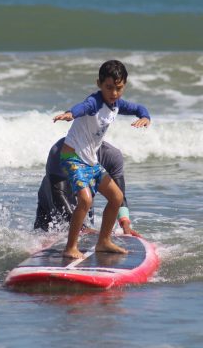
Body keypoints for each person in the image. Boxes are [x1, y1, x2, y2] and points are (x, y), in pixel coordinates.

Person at [53, 60, 150, 259]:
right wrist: (71, 114)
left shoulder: (116, 104)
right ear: (99, 84)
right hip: (72, 157)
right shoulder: (95, 102)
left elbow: (139, 108)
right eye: (109, 88)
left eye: (119, 88)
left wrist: (145, 117)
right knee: (85, 200)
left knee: (116, 197)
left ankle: (104, 241)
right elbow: (83, 106)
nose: (114, 93)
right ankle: (70, 247)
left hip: (90, 160)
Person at [34, 137, 140, 236]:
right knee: (47, 234)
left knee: (85, 232)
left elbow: (119, 195)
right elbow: (57, 193)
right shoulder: (59, 150)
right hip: (52, 200)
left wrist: (125, 223)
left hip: (84, 200)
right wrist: (82, 227)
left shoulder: (111, 155)